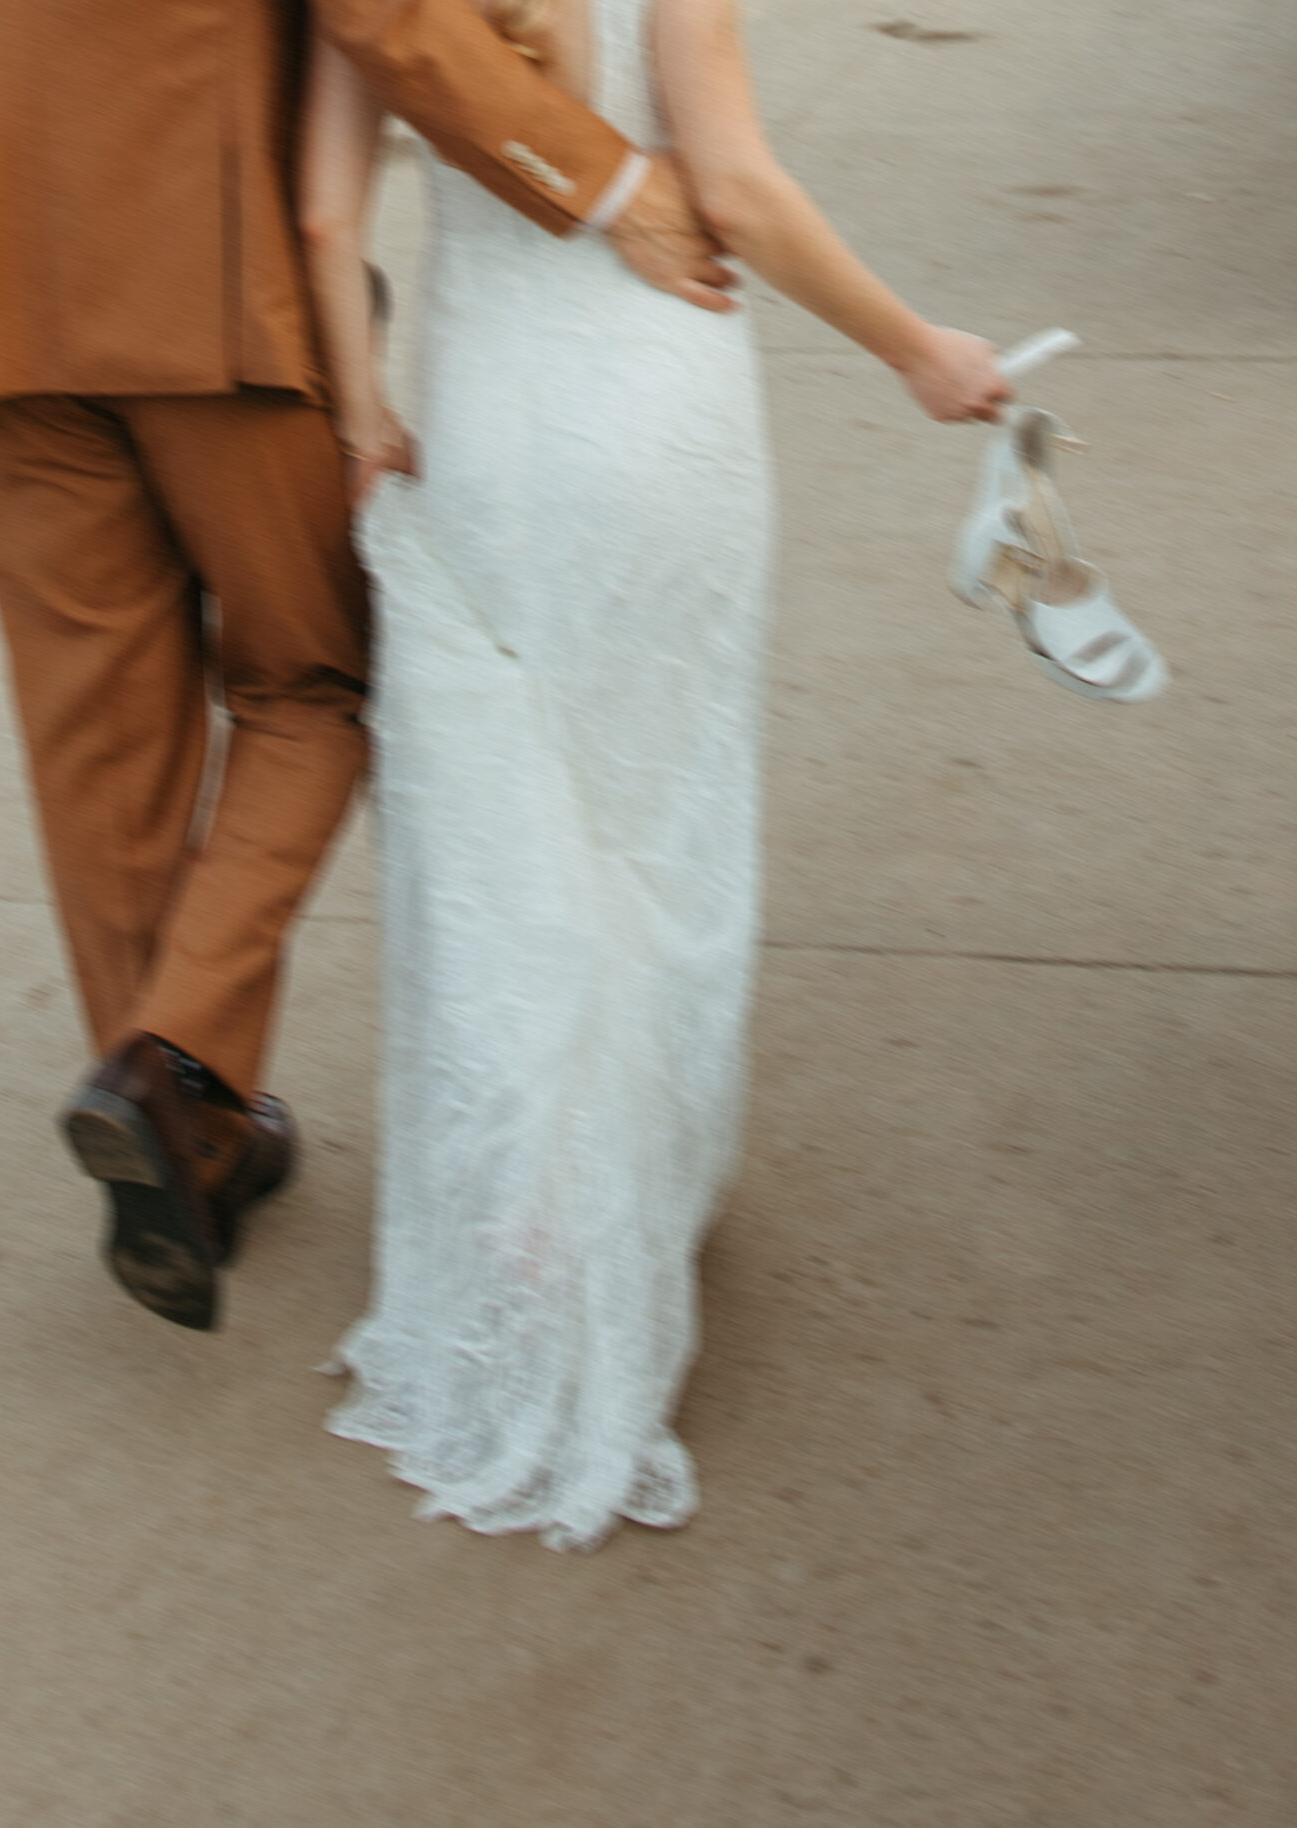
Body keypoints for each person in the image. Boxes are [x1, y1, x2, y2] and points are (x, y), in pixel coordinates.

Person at [0, 0, 745, 1332]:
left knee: (98, 752)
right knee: (318, 689)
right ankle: (168, 1066)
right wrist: (601, 180)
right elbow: (389, 16)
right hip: (214, 298)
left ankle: (188, 1135)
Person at [300, 0, 1012, 1548]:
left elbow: (320, 208)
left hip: (489, 420)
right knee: (658, 825)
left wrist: (364, 404)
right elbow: (737, 192)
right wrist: (919, 351)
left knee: (511, 832)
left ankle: (529, 1235)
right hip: (657, 416)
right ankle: (632, 1204)